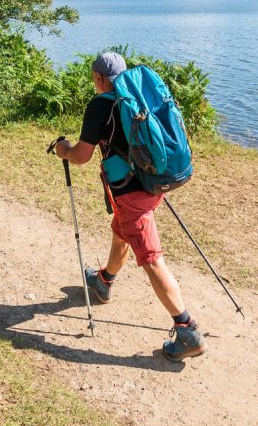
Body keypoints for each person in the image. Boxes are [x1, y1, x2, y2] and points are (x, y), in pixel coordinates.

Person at [52, 51, 207, 361]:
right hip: (155, 184)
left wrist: (63, 150)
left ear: (98, 78)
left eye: (94, 79)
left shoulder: (101, 104)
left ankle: (187, 330)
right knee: (121, 229)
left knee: (150, 258)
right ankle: (104, 281)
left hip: (132, 193)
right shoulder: (138, 97)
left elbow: (81, 155)